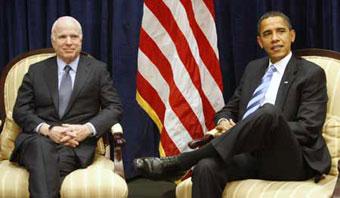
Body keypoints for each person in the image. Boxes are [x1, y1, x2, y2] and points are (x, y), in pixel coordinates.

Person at [134, 11, 331, 198]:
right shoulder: (254, 69)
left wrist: (259, 128)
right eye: (267, 34)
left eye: (281, 31)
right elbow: (229, 109)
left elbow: (308, 128)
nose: (275, 38)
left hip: (290, 159)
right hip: (249, 155)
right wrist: (224, 120)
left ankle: (182, 161)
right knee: (206, 167)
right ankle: (192, 161)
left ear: (292, 35)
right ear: (260, 42)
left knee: (268, 113)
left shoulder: (311, 73)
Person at [10, 16, 123, 198]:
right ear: (53, 40)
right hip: (37, 140)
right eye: (62, 37)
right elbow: (21, 110)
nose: (69, 42)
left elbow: (114, 108)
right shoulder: (36, 71)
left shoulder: (97, 70)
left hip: (75, 145)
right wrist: (48, 130)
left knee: (48, 168)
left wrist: (87, 129)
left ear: (81, 39)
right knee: (41, 149)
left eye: (74, 36)